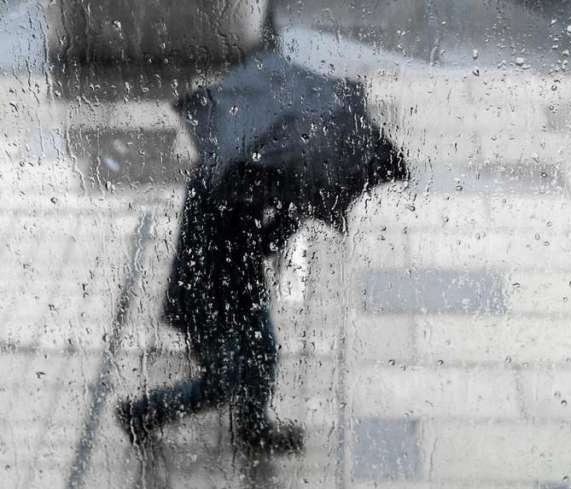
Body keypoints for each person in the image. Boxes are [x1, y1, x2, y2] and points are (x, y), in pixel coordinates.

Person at [117, 3, 407, 454]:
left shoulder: (240, 165)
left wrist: (290, 210)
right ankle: (144, 412)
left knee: (260, 355)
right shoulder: (236, 184)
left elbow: (251, 244)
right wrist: (289, 217)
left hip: (231, 280)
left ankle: (253, 427)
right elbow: (249, 245)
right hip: (214, 286)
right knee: (231, 374)